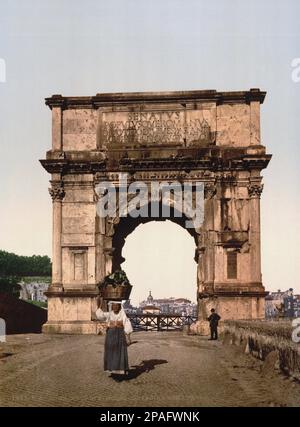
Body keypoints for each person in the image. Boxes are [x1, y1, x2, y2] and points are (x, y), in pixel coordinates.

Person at [95, 300, 133, 375]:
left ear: (119, 306)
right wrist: (100, 306)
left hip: (120, 335)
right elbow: (100, 315)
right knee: (111, 351)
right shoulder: (109, 314)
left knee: (119, 351)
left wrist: (129, 339)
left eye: (117, 305)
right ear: (111, 306)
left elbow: (127, 325)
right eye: (114, 305)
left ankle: (120, 369)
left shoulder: (122, 314)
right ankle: (111, 368)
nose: (115, 307)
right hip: (110, 335)